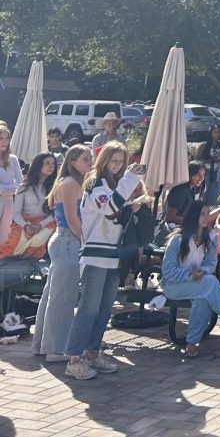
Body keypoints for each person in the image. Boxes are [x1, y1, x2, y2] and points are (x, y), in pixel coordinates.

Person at [63, 141, 141, 380]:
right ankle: (74, 359)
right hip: (96, 253)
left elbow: (118, 207)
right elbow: (109, 207)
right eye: (114, 161)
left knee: (105, 307)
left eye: (121, 161)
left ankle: (92, 353)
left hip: (114, 253)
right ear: (104, 160)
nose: (118, 166)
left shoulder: (115, 184)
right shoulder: (96, 182)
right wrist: (129, 181)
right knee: (89, 307)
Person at [162, 203, 220, 357]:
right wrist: (189, 275)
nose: (206, 218)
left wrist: (202, 271)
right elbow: (167, 270)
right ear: (193, 216)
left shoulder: (209, 240)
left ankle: (191, 343)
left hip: (197, 283)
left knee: (204, 298)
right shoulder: (178, 240)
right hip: (173, 286)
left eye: (207, 213)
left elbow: (211, 263)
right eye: (202, 214)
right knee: (210, 283)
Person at [31, 145, 91, 362]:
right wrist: (84, 240)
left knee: (52, 296)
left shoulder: (69, 182)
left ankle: (42, 344)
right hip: (68, 240)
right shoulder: (71, 183)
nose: (90, 162)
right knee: (63, 298)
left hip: (62, 240)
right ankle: (55, 349)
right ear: (73, 161)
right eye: (86, 159)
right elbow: (72, 218)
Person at [1, 152, 56, 258]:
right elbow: (16, 213)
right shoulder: (23, 187)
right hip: (24, 224)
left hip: (46, 224)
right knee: (11, 247)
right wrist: (26, 226)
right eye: (47, 163)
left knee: (40, 238)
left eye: (53, 164)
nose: (51, 166)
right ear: (38, 165)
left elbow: (55, 213)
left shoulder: (56, 187)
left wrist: (40, 225)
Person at [164, 162, 207, 228]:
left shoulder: (193, 190)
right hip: (173, 230)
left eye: (203, 175)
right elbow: (169, 217)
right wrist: (193, 221)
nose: (201, 178)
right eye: (198, 174)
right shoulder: (180, 190)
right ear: (190, 173)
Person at [0, 126, 22, 251]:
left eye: (7, 138)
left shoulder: (13, 159)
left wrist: (4, 188)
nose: (4, 141)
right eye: (1, 138)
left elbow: (20, 184)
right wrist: (10, 187)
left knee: (5, 236)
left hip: (9, 202)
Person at [197, 125, 220, 205]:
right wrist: (209, 160)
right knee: (205, 190)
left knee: (218, 191)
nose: (217, 134)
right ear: (210, 133)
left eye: (218, 132)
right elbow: (197, 160)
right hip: (207, 171)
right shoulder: (204, 145)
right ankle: (203, 207)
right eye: (215, 132)